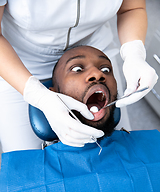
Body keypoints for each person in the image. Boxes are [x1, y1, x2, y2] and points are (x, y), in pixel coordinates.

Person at [0, 46, 160, 192]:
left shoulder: (153, 153)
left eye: (106, 69)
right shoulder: (17, 190)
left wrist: (134, 53)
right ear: (54, 94)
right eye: (77, 69)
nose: (97, 74)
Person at [0, 0, 158, 153]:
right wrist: (37, 95)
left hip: (95, 52)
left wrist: (133, 53)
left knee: (120, 150)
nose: (97, 75)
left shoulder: (98, 71)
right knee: (23, 162)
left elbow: (131, 8)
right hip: (20, 63)